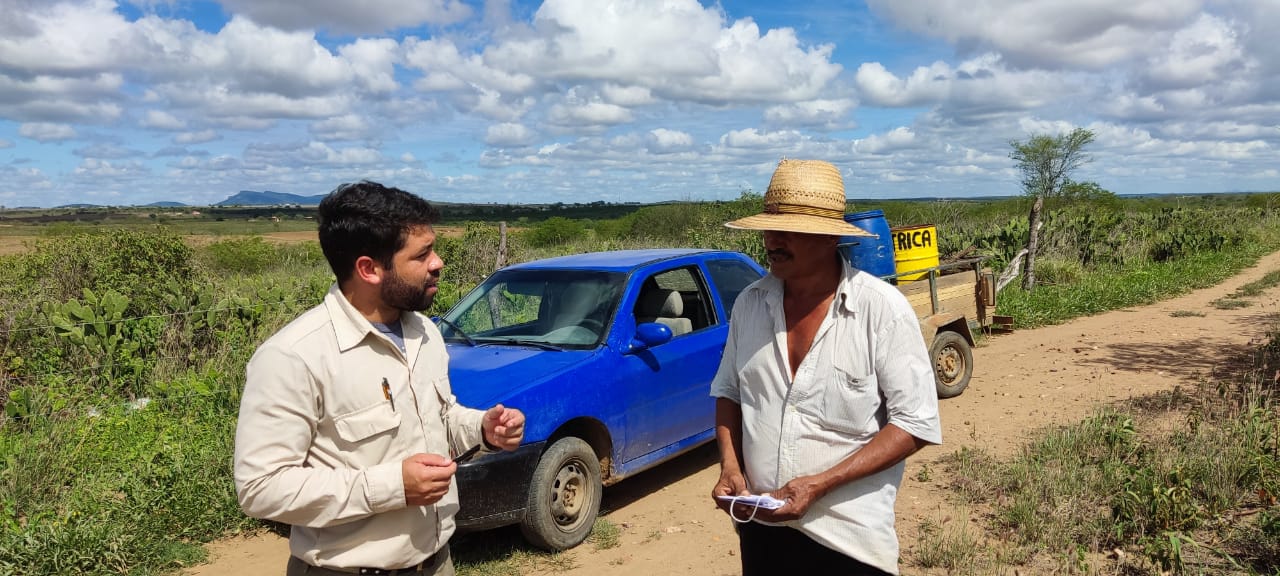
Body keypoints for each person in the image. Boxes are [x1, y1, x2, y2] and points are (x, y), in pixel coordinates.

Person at [233, 181, 525, 576]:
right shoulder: (294, 357)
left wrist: (481, 429)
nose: (438, 262)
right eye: (422, 255)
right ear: (369, 269)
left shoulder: (425, 332)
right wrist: (392, 487)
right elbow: (260, 488)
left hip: (437, 562)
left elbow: (438, 420)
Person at [710, 159, 942, 575]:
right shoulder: (750, 304)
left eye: (789, 231)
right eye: (768, 228)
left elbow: (915, 423)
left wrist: (820, 484)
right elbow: (729, 391)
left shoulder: (880, 310)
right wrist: (730, 465)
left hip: (850, 541)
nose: (772, 241)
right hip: (762, 531)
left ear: (830, 237)